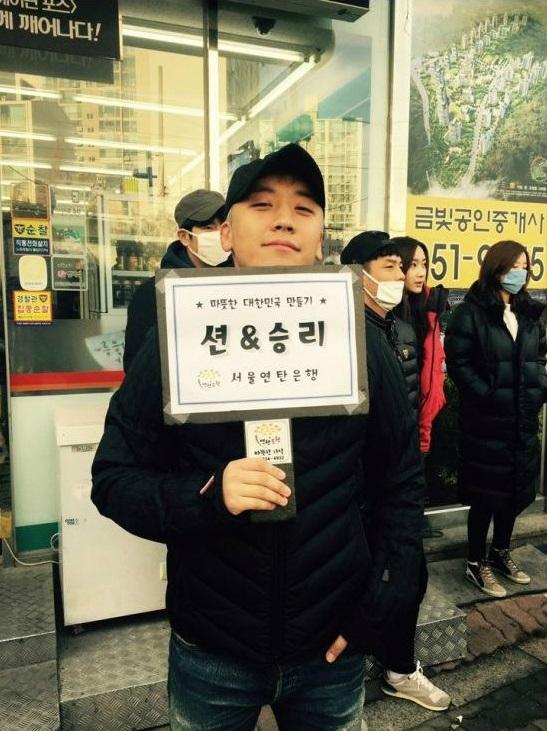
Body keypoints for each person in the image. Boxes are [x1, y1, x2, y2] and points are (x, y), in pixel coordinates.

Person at [91, 144, 425, 731]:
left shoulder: (360, 338)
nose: (284, 220)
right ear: (226, 230)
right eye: (262, 205)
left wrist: (381, 606)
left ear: (321, 235)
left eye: (304, 208)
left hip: (332, 649)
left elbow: (400, 481)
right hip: (211, 649)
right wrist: (208, 494)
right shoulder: (179, 337)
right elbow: (114, 478)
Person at [340, 233, 450, 712]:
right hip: (354, 488)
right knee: (353, 581)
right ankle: (347, 687)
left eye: (401, 268)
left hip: (396, 482)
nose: (401, 277)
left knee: (409, 578)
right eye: (390, 267)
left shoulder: (400, 328)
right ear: (357, 273)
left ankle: (400, 670)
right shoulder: (340, 331)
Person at [445, 240, 547, 598]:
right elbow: (458, 362)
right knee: (485, 496)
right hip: (487, 422)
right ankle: (476, 562)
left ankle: (501, 552)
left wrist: (538, 391)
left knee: (515, 492)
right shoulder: (470, 312)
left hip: (521, 419)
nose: (520, 272)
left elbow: (539, 359)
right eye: (512, 266)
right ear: (495, 268)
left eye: (525, 266)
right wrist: (485, 394)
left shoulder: (530, 312)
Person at [123, 188, 226, 372]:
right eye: (208, 228)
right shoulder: (155, 292)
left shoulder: (239, 283)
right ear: (184, 237)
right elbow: (135, 367)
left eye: (225, 226)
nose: (219, 234)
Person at [392, 237, 449, 454]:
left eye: (424, 264)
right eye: (413, 265)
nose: (421, 273)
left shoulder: (430, 309)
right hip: (394, 428)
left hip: (424, 421)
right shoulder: (386, 312)